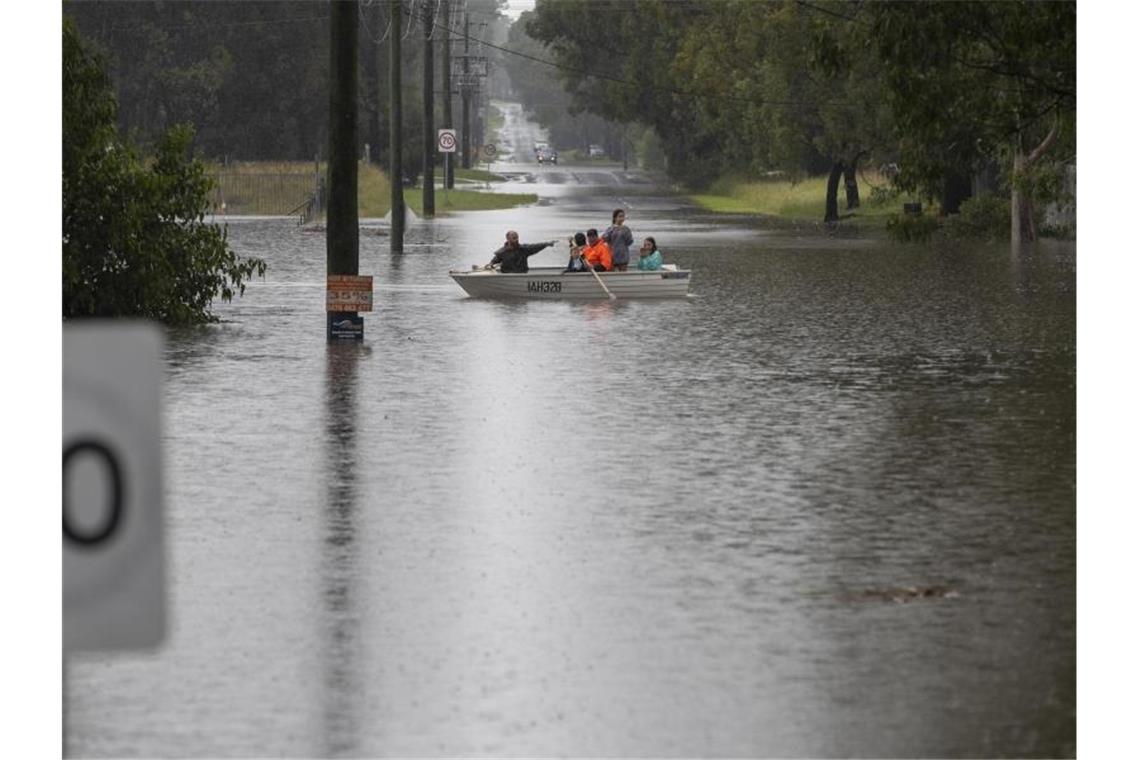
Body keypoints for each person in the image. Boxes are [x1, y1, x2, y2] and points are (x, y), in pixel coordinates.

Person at [484, 230, 557, 273]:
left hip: (521, 275)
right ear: (508, 239)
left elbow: (536, 246)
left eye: (517, 238)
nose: (516, 240)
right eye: (514, 238)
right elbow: (495, 260)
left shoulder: (524, 249)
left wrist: (547, 244)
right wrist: (491, 264)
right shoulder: (502, 252)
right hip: (507, 276)